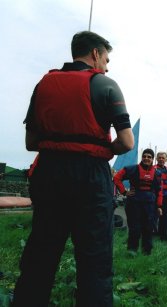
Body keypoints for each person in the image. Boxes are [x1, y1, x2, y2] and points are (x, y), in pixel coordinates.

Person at [14, 31, 134, 306]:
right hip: (90, 178)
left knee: (41, 252)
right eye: (106, 57)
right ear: (95, 54)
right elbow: (126, 142)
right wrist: (101, 150)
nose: (107, 64)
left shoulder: (43, 85)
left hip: (49, 173)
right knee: (95, 259)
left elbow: (31, 142)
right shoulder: (107, 86)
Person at [113, 148, 163, 255]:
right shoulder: (132, 169)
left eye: (149, 157)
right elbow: (116, 178)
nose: (146, 158)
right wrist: (124, 192)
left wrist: (159, 206)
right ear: (142, 157)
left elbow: (159, 191)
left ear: (152, 159)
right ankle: (132, 252)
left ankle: (147, 253)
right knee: (134, 229)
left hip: (150, 205)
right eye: (144, 156)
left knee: (148, 228)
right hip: (134, 204)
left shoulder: (157, 174)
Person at [153, 151, 167, 242]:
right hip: (155, 198)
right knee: (153, 218)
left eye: (163, 158)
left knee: (165, 221)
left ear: (166, 159)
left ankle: (163, 237)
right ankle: (152, 236)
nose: (161, 159)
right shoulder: (153, 169)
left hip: (166, 199)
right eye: (160, 157)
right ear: (157, 159)